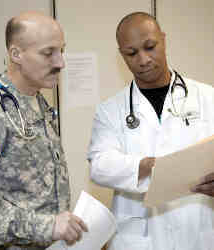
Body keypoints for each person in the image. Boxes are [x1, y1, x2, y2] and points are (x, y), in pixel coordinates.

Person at [88, 11, 214, 250]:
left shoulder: (208, 97)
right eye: (132, 53)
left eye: (150, 47)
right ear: (121, 55)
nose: (143, 59)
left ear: (163, 40)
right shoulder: (110, 110)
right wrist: (144, 166)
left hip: (198, 231)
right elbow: (99, 166)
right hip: (140, 237)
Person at [0, 11, 87, 250]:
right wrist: (44, 227)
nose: (61, 62)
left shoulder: (36, 102)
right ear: (16, 54)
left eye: (62, 50)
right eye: (48, 53)